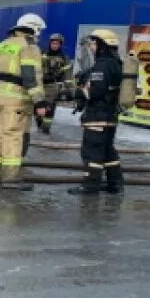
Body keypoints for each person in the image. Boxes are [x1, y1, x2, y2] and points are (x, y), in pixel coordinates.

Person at [0, 13, 48, 190]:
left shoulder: (4, 44)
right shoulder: (29, 47)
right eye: (39, 31)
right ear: (33, 28)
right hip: (17, 100)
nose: (39, 35)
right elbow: (30, 76)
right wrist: (40, 101)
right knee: (13, 137)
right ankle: (11, 179)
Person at [69, 28, 125, 196]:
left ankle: (90, 185)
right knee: (108, 151)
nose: (92, 47)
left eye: (94, 43)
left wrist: (76, 92)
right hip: (110, 116)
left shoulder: (102, 65)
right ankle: (114, 183)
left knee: (91, 151)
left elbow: (95, 92)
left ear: (102, 45)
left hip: (97, 116)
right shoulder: (116, 63)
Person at [37, 32, 72, 135]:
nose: (55, 45)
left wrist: (68, 88)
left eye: (57, 43)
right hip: (40, 84)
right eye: (53, 43)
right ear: (50, 43)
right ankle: (39, 120)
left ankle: (46, 128)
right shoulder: (42, 54)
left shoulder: (64, 58)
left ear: (60, 45)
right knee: (38, 105)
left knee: (50, 107)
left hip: (53, 85)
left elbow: (68, 74)